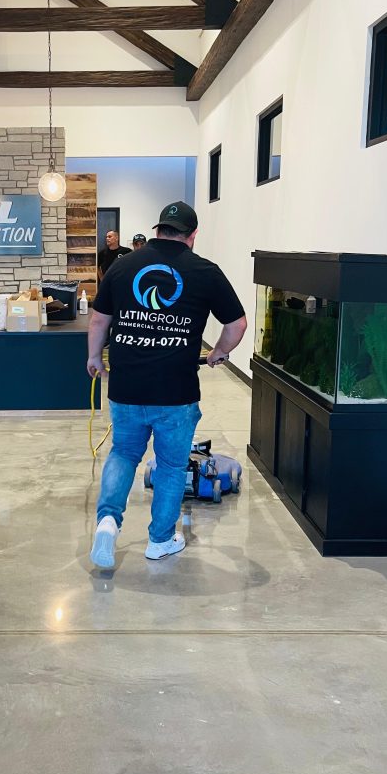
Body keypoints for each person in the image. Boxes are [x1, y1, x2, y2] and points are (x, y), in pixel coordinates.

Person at [86, 201, 247, 568]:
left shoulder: (124, 265)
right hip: (176, 391)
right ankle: (159, 541)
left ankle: (108, 523)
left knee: (123, 453)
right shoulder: (205, 271)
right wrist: (218, 353)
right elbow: (236, 324)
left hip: (126, 386)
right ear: (192, 236)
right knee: (172, 466)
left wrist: (95, 358)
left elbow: (98, 321)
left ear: (158, 229)